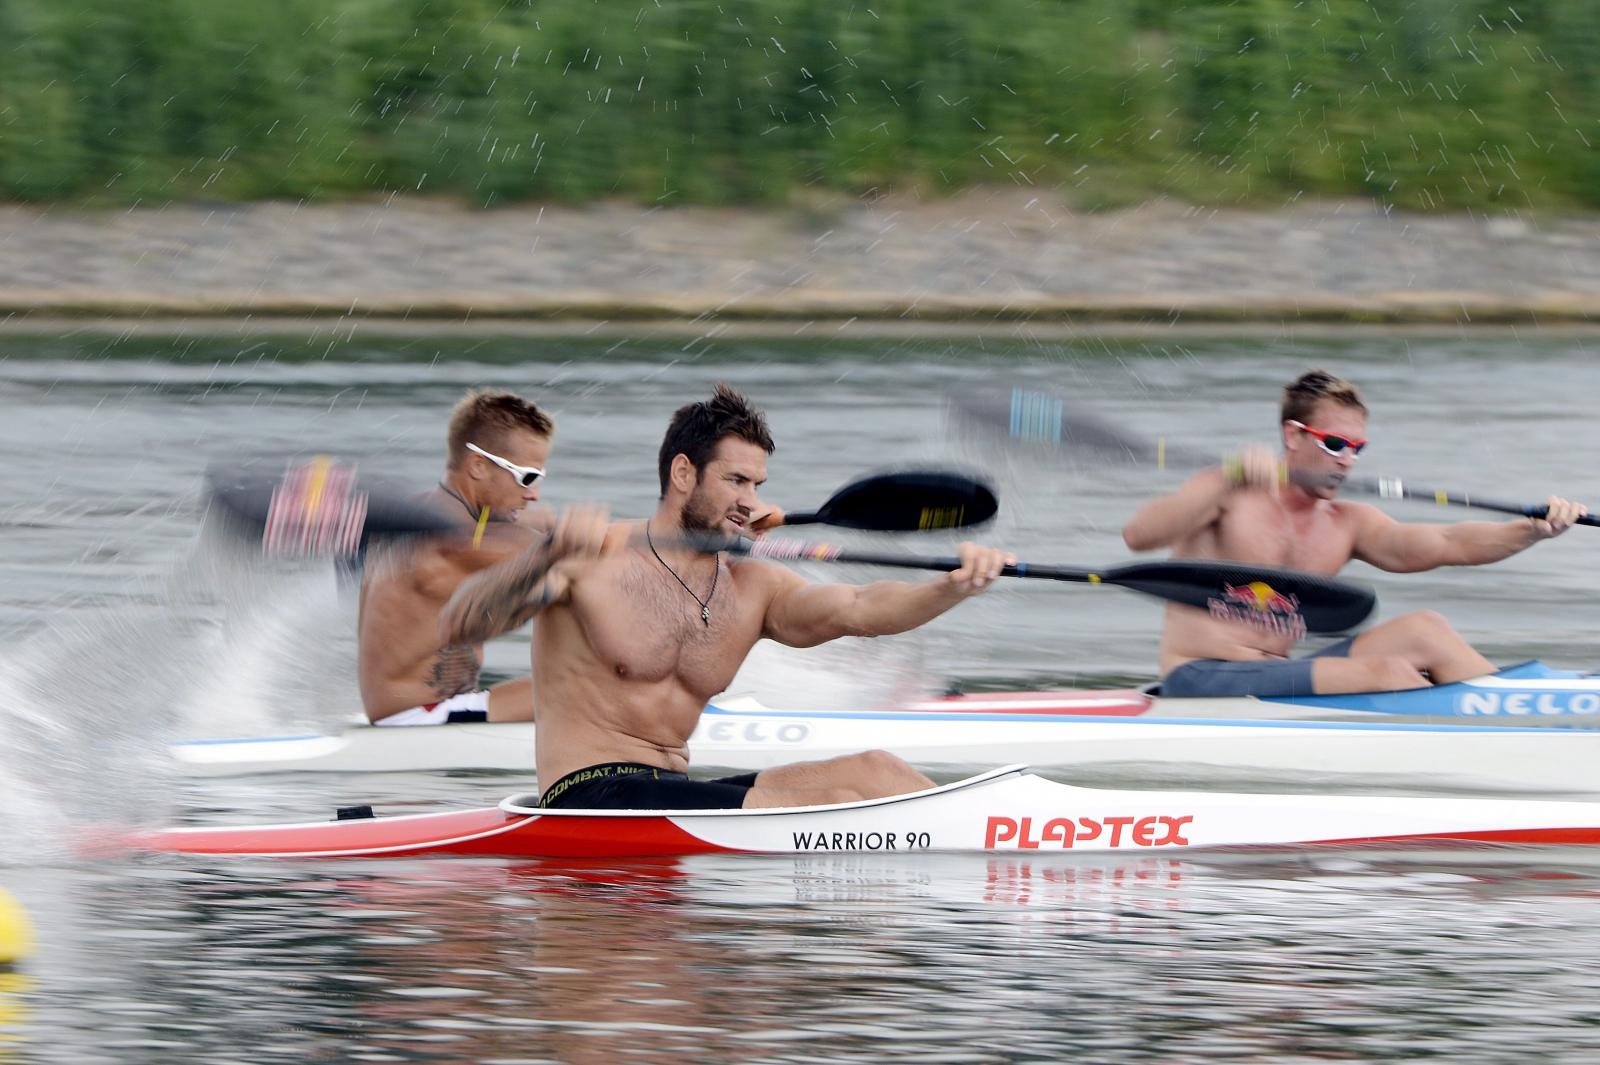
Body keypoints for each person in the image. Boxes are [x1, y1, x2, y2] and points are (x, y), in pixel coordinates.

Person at [439, 384, 1015, 808]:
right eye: (735, 481)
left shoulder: (752, 583)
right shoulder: (592, 557)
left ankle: (1001, 826)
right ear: (684, 474)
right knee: (823, 800)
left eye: (757, 485)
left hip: (673, 790)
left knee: (876, 772)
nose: (750, 498)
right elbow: (461, 622)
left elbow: (861, 608)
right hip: (587, 795)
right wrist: (544, 557)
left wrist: (953, 586)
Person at [1122, 369, 1588, 697]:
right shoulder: (1224, 491)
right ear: (1292, 435)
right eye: (1335, 444)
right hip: (1201, 675)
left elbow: (1450, 544)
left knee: (1425, 630)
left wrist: (1533, 531)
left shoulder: (1347, 522)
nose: (1347, 459)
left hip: (1281, 672)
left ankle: (1527, 712)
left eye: (1357, 448)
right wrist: (1228, 475)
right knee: (1391, 672)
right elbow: (1139, 535)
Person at [358, 390, 556, 725]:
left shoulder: (425, 511)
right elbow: (574, 561)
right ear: (478, 466)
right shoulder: (452, 542)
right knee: (588, 687)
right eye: (527, 477)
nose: (534, 494)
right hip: (417, 717)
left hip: (432, 708)